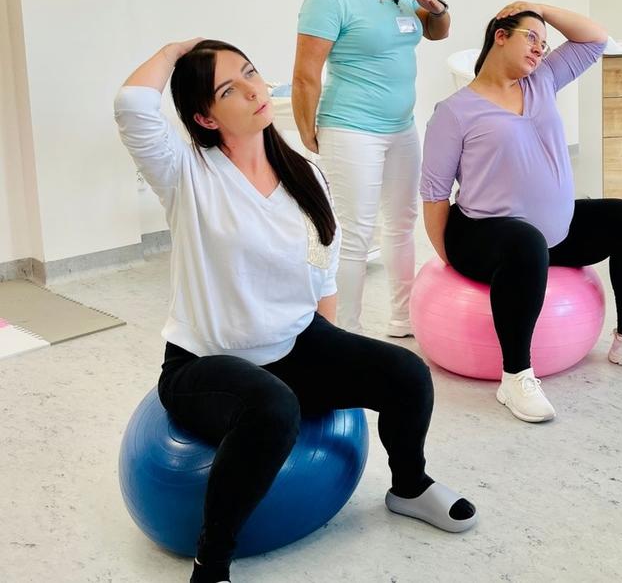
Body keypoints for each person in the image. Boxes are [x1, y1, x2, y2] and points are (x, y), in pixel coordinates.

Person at [115, 38, 476, 583]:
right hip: (203, 362)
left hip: (293, 341)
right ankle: (211, 564)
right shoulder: (185, 173)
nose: (253, 90)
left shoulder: (304, 172)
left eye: (250, 72)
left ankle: (409, 486)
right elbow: (131, 106)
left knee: (405, 372)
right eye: (228, 89)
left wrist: (329, 355)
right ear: (205, 117)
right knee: (272, 408)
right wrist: (176, 49)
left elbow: (322, 274)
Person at [421, 2, 622, 424]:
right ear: (500, 36)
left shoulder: (542, 81)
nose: (541, 50)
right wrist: (451, 260)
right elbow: (434, 192)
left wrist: (537, 10)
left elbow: (595, 38)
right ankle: (516, 376)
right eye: (531, 38)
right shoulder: (453, 112)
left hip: (554, 231)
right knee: (525, 243)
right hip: (486, 234)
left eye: (545, 44)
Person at [293, 0, 450, 337]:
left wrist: (438, 10)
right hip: (350, 127)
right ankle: (345, 332)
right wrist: (307, 130)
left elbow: (436, 32)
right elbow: (306, 74)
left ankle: (402, 319)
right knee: (356, 233)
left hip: (401, 127)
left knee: (402, 222)